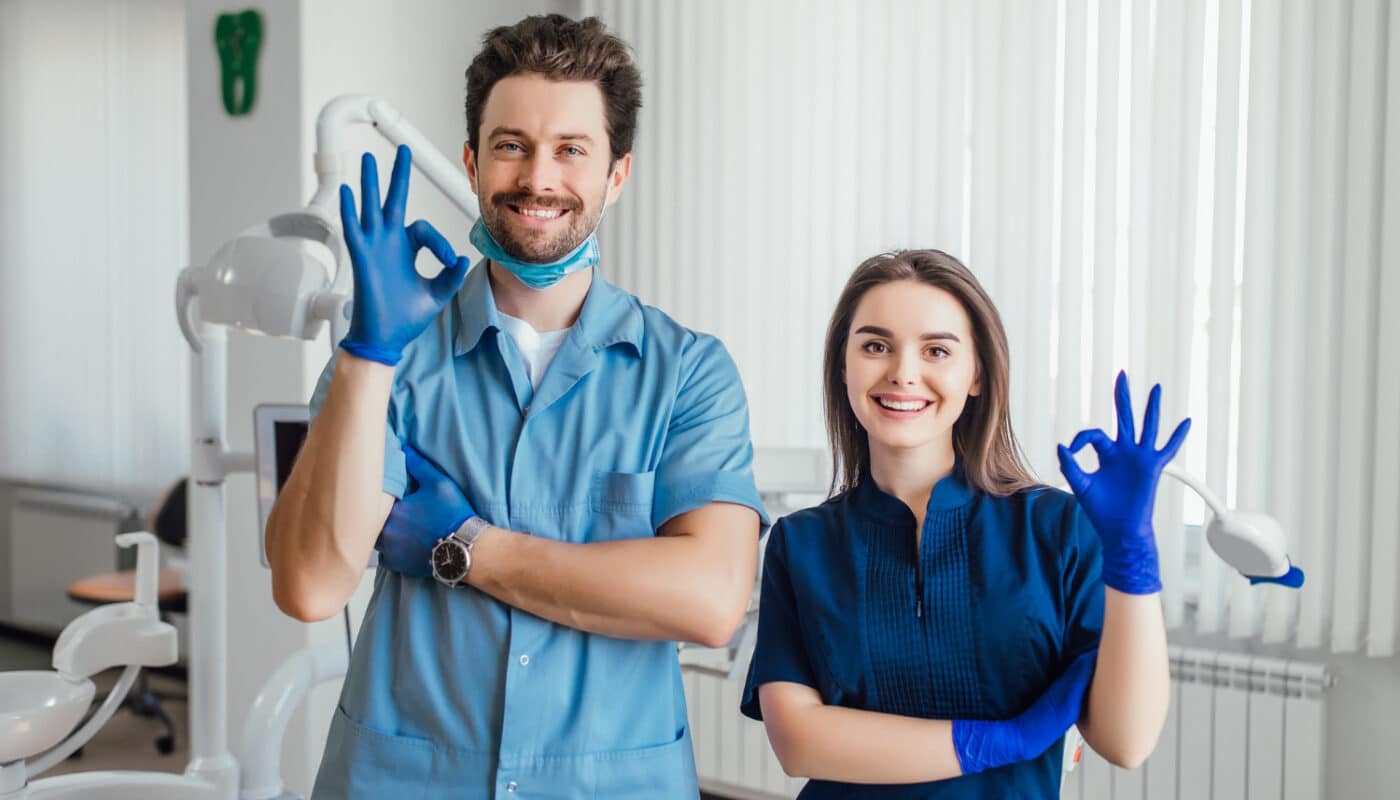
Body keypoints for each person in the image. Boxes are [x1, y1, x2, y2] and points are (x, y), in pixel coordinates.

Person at [264, 15, 767, 798]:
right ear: (471, 161)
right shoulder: (391, 358)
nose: (539, 177)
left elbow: (708, 602)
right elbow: (309, 584)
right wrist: (369, 354)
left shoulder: (686, 373)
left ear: (617, 174)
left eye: (571, 149)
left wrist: (463, 546)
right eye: (511, 145)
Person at [741, 249, 1188, 798]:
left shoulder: (1056, 529)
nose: (904, 372)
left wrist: (1133, 560)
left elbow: (1127, 742)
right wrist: (995, 742)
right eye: (876, 346)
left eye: (936, 350)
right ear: (843, 366)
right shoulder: (801, 543)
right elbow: (799, 742)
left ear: (976, 374)